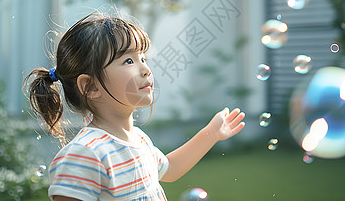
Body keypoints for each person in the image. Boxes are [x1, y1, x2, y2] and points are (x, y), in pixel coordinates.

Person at [25, 13, 245, 201]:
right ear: (90, 86)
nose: (146, 69)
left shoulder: (139, 140)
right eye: (128, 61)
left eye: (142, 57)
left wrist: (211, 133)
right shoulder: (85, 153)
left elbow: (169, 168)